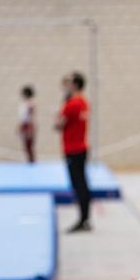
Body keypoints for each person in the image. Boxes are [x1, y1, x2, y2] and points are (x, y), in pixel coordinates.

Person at [55, 72, 91, 232]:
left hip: (73, 149)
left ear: (75, 85)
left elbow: (58, 125)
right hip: (81, 148)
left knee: (79, 185)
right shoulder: (83, 102)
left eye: (68, 82)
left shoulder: (72, 104)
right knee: (82, 183)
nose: (65, 85)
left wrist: (62, 108)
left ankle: (83, 220)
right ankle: (85, 218)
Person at [18, 85, 36, 163]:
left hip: (28, 125)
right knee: (26, 146)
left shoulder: (30, 103)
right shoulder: (24, 103)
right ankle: (29, 161)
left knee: (29, 146)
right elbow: (22, 117)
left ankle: (31, 162)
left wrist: (29, 129)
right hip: (24, 124)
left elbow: (30, 116)